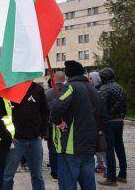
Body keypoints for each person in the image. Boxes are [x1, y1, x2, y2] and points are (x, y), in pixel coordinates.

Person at [50, 60, 107, 190]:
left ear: (68, 74)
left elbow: (57, 107)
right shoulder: (94, 90)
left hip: (71, 146)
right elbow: (104, 117)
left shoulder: (70, 87)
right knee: (88, 184)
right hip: (89, 145)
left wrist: (59, 122)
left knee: (67, 184)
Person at [2, 80, 48, 190]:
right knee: (8, 175)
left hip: (35, 140)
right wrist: (9, 135)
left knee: (37, 175)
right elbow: (4, 114)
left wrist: (42, 133)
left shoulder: (38, 89)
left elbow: (45, 112)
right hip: (16, 140)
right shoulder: (11, 89)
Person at [98, 68, 127, 186]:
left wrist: (100, 122)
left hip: (109, 122)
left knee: (109, 149)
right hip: (120, 120)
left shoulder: (105, 88)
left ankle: (111, 178)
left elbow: (102, 108)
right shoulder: (120, 87)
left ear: (104, 77)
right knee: (120, 147)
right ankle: (122, 174)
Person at [44, 71, 66, 181]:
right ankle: (65, 170)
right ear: (64, 79)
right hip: (66, 125)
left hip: (51, 124)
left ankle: (55, 173)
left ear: (54, 80)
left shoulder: (48, 93)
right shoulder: (69, 91)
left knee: (53, 149)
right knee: (65, 148)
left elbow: (43, 111)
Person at [88, 72, 106, 175]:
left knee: (101, 145)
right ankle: (99, 164)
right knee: (96, 147)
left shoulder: (99, 91)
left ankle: (104, 165)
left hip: (98, 123)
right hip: (93, 123)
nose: (89, 80)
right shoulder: (92, 91)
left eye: (91, 78)